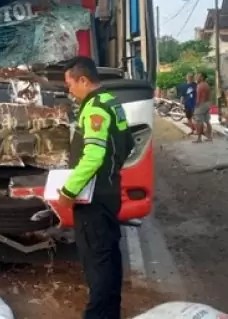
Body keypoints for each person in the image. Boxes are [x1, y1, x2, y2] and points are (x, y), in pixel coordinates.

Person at [56, 56, 135, 319]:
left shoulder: (94, 108)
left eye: (70, 84)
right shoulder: (112, 102)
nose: (69, 90)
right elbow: (128, 144)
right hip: (109, 193)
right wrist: (111, 171)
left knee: (96, 264)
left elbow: (93, 156)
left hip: (93, 199)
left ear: (83, 80)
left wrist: (68, 191)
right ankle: (110, 313)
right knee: (109, 258)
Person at [192, 72, 212, 143]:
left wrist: (196, 106)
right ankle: (209, 137)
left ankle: (199, 138)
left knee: (198, 121)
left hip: (201, 104)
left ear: (202, 77)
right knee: (207, 121)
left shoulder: (200, 86)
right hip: (207, 103)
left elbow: (198, 98)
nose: (196, 77)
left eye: (198, 76)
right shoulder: (206, 85)